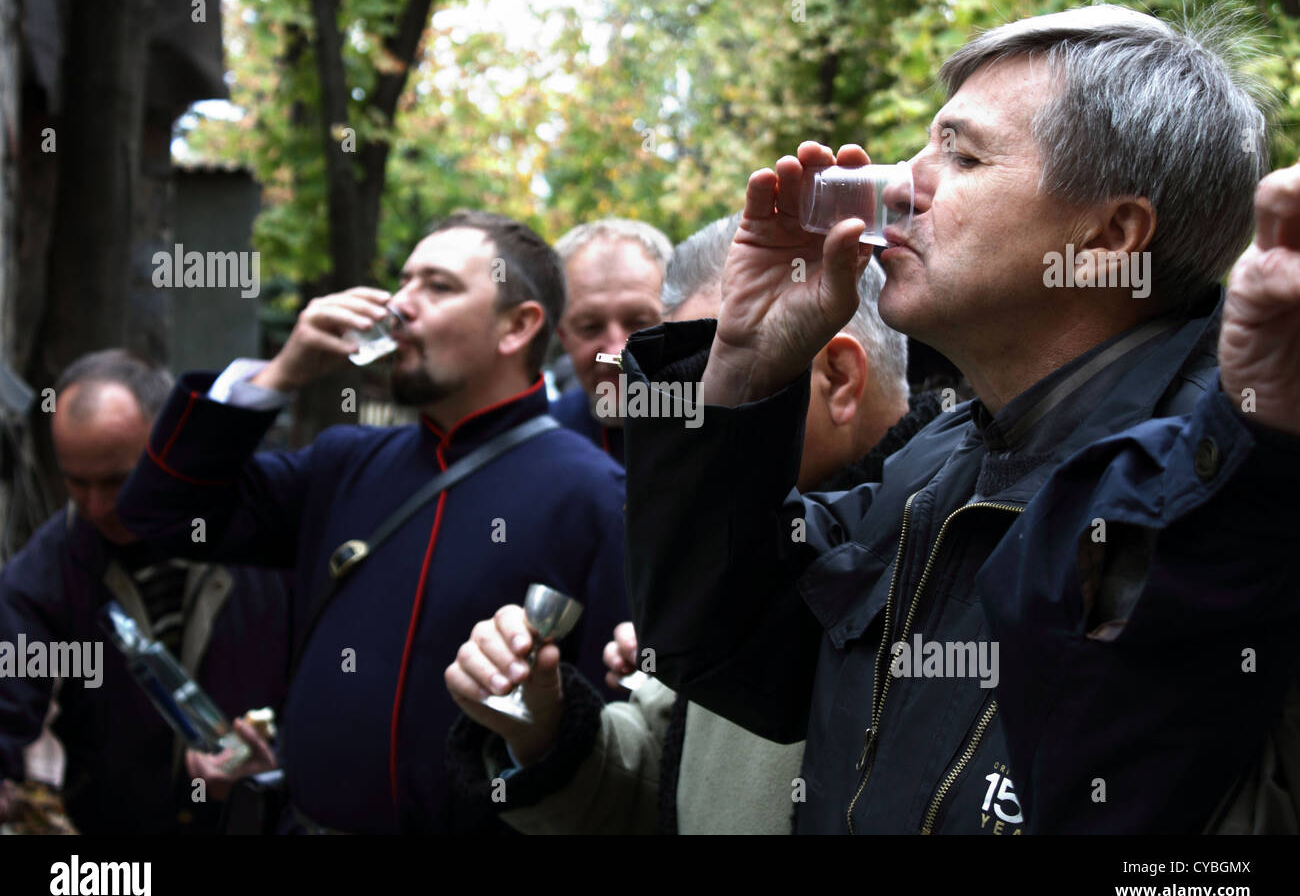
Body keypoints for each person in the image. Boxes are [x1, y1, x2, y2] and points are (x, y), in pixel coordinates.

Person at [616, 3, 1300, 834]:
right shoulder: (936, 464)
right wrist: (743, 370)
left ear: (1111, 235)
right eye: (924, 147)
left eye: (962, 155)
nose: (899, 185)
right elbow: (717, 650)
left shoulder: (1246, 491)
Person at [117, 211, 628, 834]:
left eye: (437, 287)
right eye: (404, 282)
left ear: (517, 327)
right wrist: (281, 373)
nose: (400, 305)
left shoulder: (593, 494)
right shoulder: (343, 463)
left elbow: (614, 745)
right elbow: (160, 514)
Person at [444, 218, 938, 833]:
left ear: (837, 378)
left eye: (725, 373)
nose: (682, 420)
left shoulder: (950, 555)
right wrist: (544, 726)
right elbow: (659, 778)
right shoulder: (732, 539)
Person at [0, 350, 291, 834]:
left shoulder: (262, 533)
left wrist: (277, 768)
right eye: (77, 483)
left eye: (117, 481)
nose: (97, 506)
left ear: (168, 446)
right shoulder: (45, 572)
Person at [549, 219, 672, 462]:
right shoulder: (541, 443)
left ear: (678, 321)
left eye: (639, 323)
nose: (617, 351)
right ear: (564, 336)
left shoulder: (725, 429)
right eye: (590, 327)